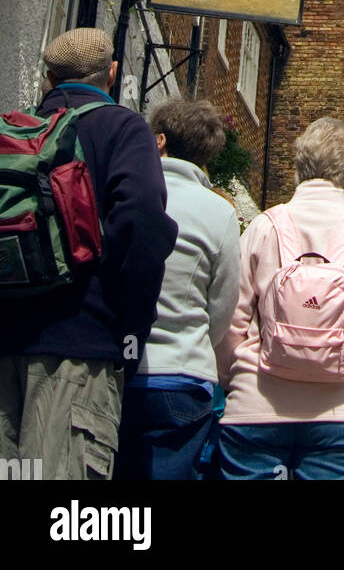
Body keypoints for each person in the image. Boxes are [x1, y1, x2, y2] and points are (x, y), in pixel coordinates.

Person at [0, 29, 177, 480]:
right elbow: (141, 223)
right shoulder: (123, 128)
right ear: (112, 74)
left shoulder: (13, 132)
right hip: (80, 351)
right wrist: (130, 325)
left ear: (48, 78)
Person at [216, 117, 344, 480]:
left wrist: (234, 374)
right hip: (340, 414)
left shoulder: (263, 227)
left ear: (299, 167)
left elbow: (229, 315)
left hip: (256, 407)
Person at [115, 97, 240, 480]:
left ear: (160, 141)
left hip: (118, 368)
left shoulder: (124, 191)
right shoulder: (220, 212)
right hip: (183, 378)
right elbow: (221, 308)